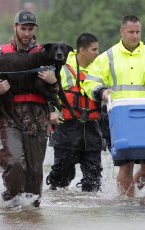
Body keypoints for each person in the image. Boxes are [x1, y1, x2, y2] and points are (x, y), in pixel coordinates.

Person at [82, 15, 145, 197]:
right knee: (126, 164)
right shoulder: (107, 57)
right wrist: (101, 91)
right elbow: (89, 82)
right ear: (122, 32)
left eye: (137, 32)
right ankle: (128, 204)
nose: (134, 36)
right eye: (130, 32)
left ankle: (126, 196)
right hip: (117, 117)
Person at [0, 10, 59, 207]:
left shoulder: (45, 55)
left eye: (30, 29)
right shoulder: (2, 55)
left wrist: (53, 82)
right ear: (15, 28)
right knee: (15, 163)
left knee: (35, 173)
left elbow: (56, 92)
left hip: (38, 119)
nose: (27, 33)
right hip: (9, 117)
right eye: (23, 28)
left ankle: (31, 214)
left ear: (35, 30)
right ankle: (9, 200)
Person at [46, 33, 103, 192]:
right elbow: (49, 93)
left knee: (93, 180)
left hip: (91, 130)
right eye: (94, 49)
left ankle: (89, 211)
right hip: (66, 130)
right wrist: (52, 111)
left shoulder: (100, 68)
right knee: (60, 179)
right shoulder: (62, 67)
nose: (98, 53)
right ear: (82, 51)